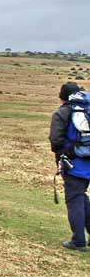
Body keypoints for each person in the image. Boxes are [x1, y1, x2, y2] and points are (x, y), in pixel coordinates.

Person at [49, 82, 90, 251]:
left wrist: (62, 155)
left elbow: (55, 141)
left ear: (61, 97)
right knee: (81, 197)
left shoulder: (62, 112)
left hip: (74, 163)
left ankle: (78, 241)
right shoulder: (87, 111)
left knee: (74, 199)